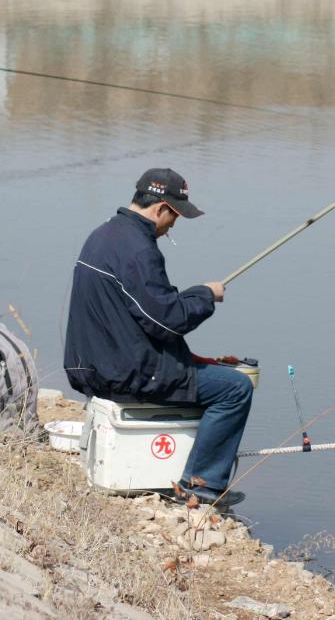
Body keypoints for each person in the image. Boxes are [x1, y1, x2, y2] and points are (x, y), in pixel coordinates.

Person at [63, 169, 252, 506]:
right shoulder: (138, 249)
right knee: (235, 388)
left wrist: (195, 294)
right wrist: (207, 297)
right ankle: (200, 485)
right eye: (175, 215)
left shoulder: (102, 235)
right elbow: (166, 323)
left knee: (206, 370)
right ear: (160, 208)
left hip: (91, 367)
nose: (173, 225)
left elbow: (146, 311)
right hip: (125, 373)